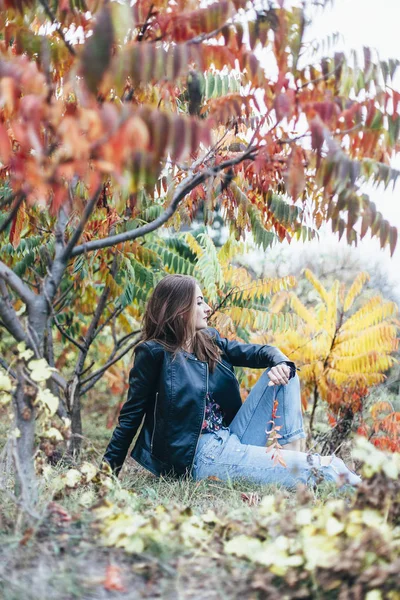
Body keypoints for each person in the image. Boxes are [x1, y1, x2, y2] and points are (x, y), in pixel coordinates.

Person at [103, 274, 361, 489]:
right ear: (178, 309)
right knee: (329, 468)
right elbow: (131, 417)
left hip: (232, 435)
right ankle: (372, 500)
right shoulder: (154, 353)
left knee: (286, 370)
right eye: (199, 302)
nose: (207, 308)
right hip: (202, 456)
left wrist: (280, 362)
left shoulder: (209, 340)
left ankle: (293, 453)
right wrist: (105, 474)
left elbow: (259, 352)